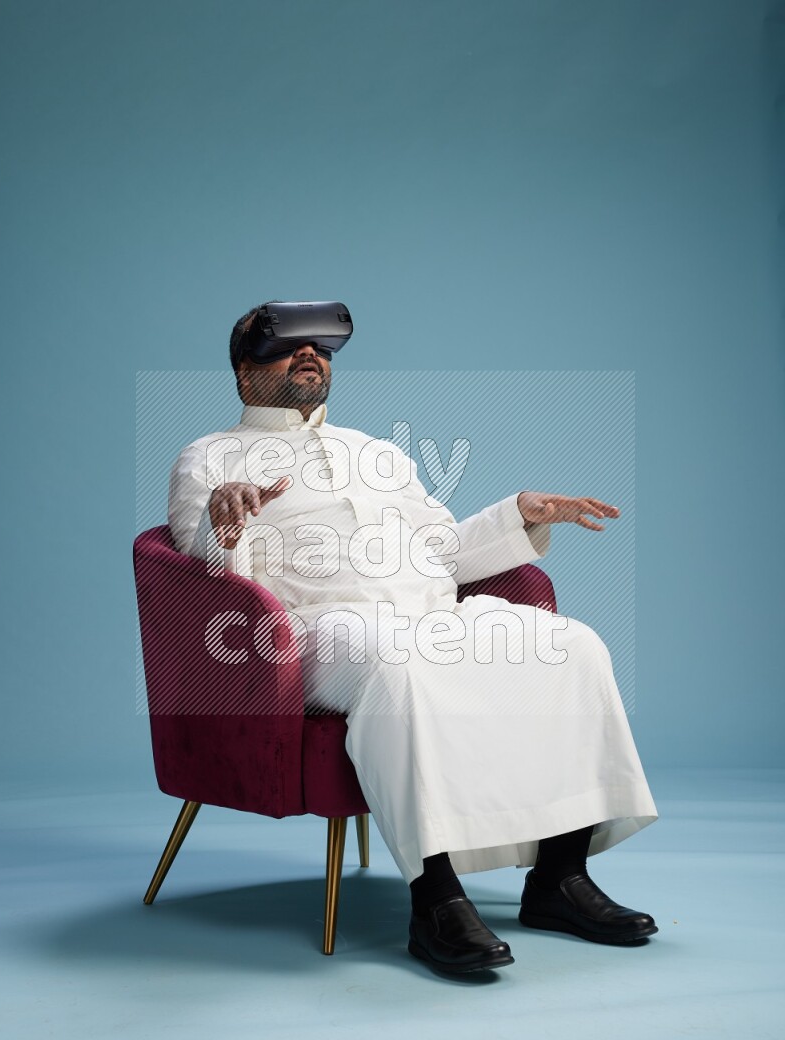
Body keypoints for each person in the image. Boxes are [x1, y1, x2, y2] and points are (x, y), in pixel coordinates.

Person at [167, 301, 659, 975]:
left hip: (429, 615)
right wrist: (226, 523)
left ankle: (559, 879)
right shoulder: (209, 456)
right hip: (316, 633)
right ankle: (436, 902)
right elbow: (202, 569)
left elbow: (443, 552)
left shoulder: (376, 452)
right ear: (245, 371)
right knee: (397, 665)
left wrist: (518, 513)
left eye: (323, 348)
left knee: (571, 646)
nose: (312, 355)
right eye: (291, 347)